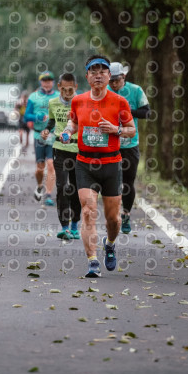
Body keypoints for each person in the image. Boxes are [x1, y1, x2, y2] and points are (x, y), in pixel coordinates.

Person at [60, 55, 136, 278]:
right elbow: (73, 122)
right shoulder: (78, 100)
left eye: (102, 71)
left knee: (114, 219)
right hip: (85, 163)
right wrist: (67, 131)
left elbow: (131, 129)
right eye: (93, 71)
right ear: (87, 77)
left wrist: (116, 130)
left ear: (108, 75)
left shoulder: (119, 102)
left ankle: (110, 244)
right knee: (88, 211)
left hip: (111, 163)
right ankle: (92, 261)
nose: (98, 75)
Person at [108, 62, 150, 234]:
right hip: (110, 144)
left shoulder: (135, 90)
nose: (113, 84)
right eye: (110, 81)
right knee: (111, 181)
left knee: (128, 182)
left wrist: (126, 111)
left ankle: (126, 214)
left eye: (116, 80)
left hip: (130, 144)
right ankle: (112, 216)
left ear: (123, 77)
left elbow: (147, 112)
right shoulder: (105, 92)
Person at [41, 73, 81, 240]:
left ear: (75, 88)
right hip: (60, 149)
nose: (66, 93)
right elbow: (51, 120)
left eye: (70, 90)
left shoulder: (82, 102)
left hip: (79, 150)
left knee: (77, 189)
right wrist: (46, 130)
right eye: (63, 89)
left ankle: (75, 225)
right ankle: (64, 227)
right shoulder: (53, 102)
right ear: (59, 87)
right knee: (63, 188)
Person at [24, 71, 58, 206]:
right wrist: (37, 117)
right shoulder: (33, 97)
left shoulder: (58, 96)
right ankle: (39, 185)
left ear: (53, 82)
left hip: (53, 136)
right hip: (39, 135)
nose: (47, 83)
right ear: (41, 82)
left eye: (49, 80)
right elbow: (26, 116)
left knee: (51, 165)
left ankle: (48, 194)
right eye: (44, 80)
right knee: (40, 167)